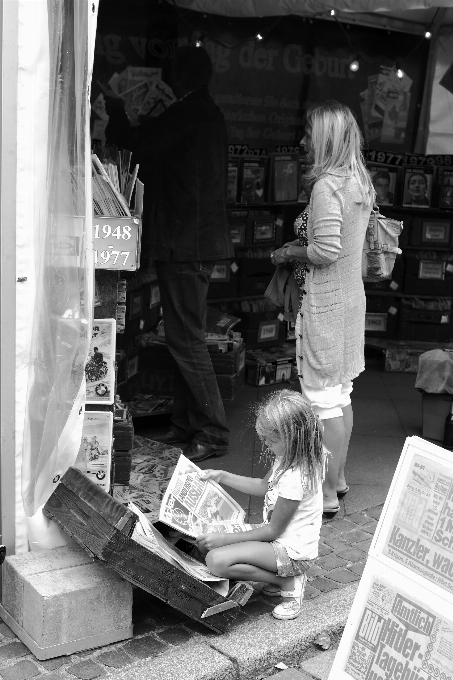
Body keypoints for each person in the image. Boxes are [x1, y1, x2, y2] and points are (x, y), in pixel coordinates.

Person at [104, 46, 234, 462]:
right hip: (192, 243)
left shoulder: (190, 113)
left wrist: (115, 105)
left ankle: (212, 433)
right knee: (182, 337)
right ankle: (187, 425)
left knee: (186, 340)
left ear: (178, 79)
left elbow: (136, 144)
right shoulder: (206, 113)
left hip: (187, 245)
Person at [270, 101, 375, 515]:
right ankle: (340, 479)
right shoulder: (358, 182)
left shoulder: (327, 186)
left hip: (328, 304)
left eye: (309, 135)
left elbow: (326, 250)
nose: (303, 142)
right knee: (340, 394)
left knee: (321, 400)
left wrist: (289, 252)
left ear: (326, 139)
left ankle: (326, 494)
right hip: (350, 300)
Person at [196, 390, 325, 621]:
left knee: (216, 559)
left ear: (291, 438)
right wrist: (222, 476)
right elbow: (263, 485)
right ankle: (274, 576)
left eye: (270, 440)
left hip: (291, 553)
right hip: (278, 542)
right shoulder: (290, 456)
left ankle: (287, 580)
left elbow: (272, 531)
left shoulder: (297, 477)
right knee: (209, 543)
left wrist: (225, 539)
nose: (265, 444)